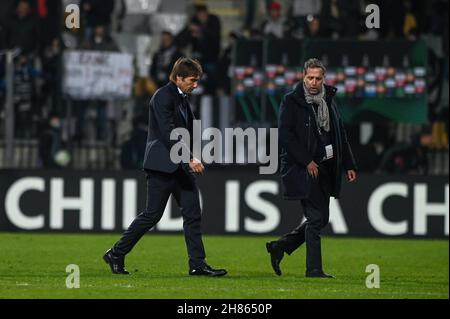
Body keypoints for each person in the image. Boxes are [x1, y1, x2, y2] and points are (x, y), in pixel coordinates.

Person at [103, 58, 227, 277]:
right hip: (162, 166)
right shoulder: (163, 96)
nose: (195, 84)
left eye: (197, 80)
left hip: (179, 167)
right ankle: (116, 252)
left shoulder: (182, 99)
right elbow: (168, 132)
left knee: (192, 213)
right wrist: (189, 158)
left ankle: (197, 264)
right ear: (178, 78)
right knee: (152, 215)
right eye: (192, 80)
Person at [267, 58, 357, 278]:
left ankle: (280, 247)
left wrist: (348, 164)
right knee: (316, 219)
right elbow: (286, 136)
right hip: (304, 168)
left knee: (321, 219)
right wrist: (307, 161)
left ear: (324, 79)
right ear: (303, 76)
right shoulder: (291, 100)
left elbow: (339, 135)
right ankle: (314, 269)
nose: (314, 82)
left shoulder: (329, 100)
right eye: (310, 77)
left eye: (318, 78)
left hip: (327, 167)